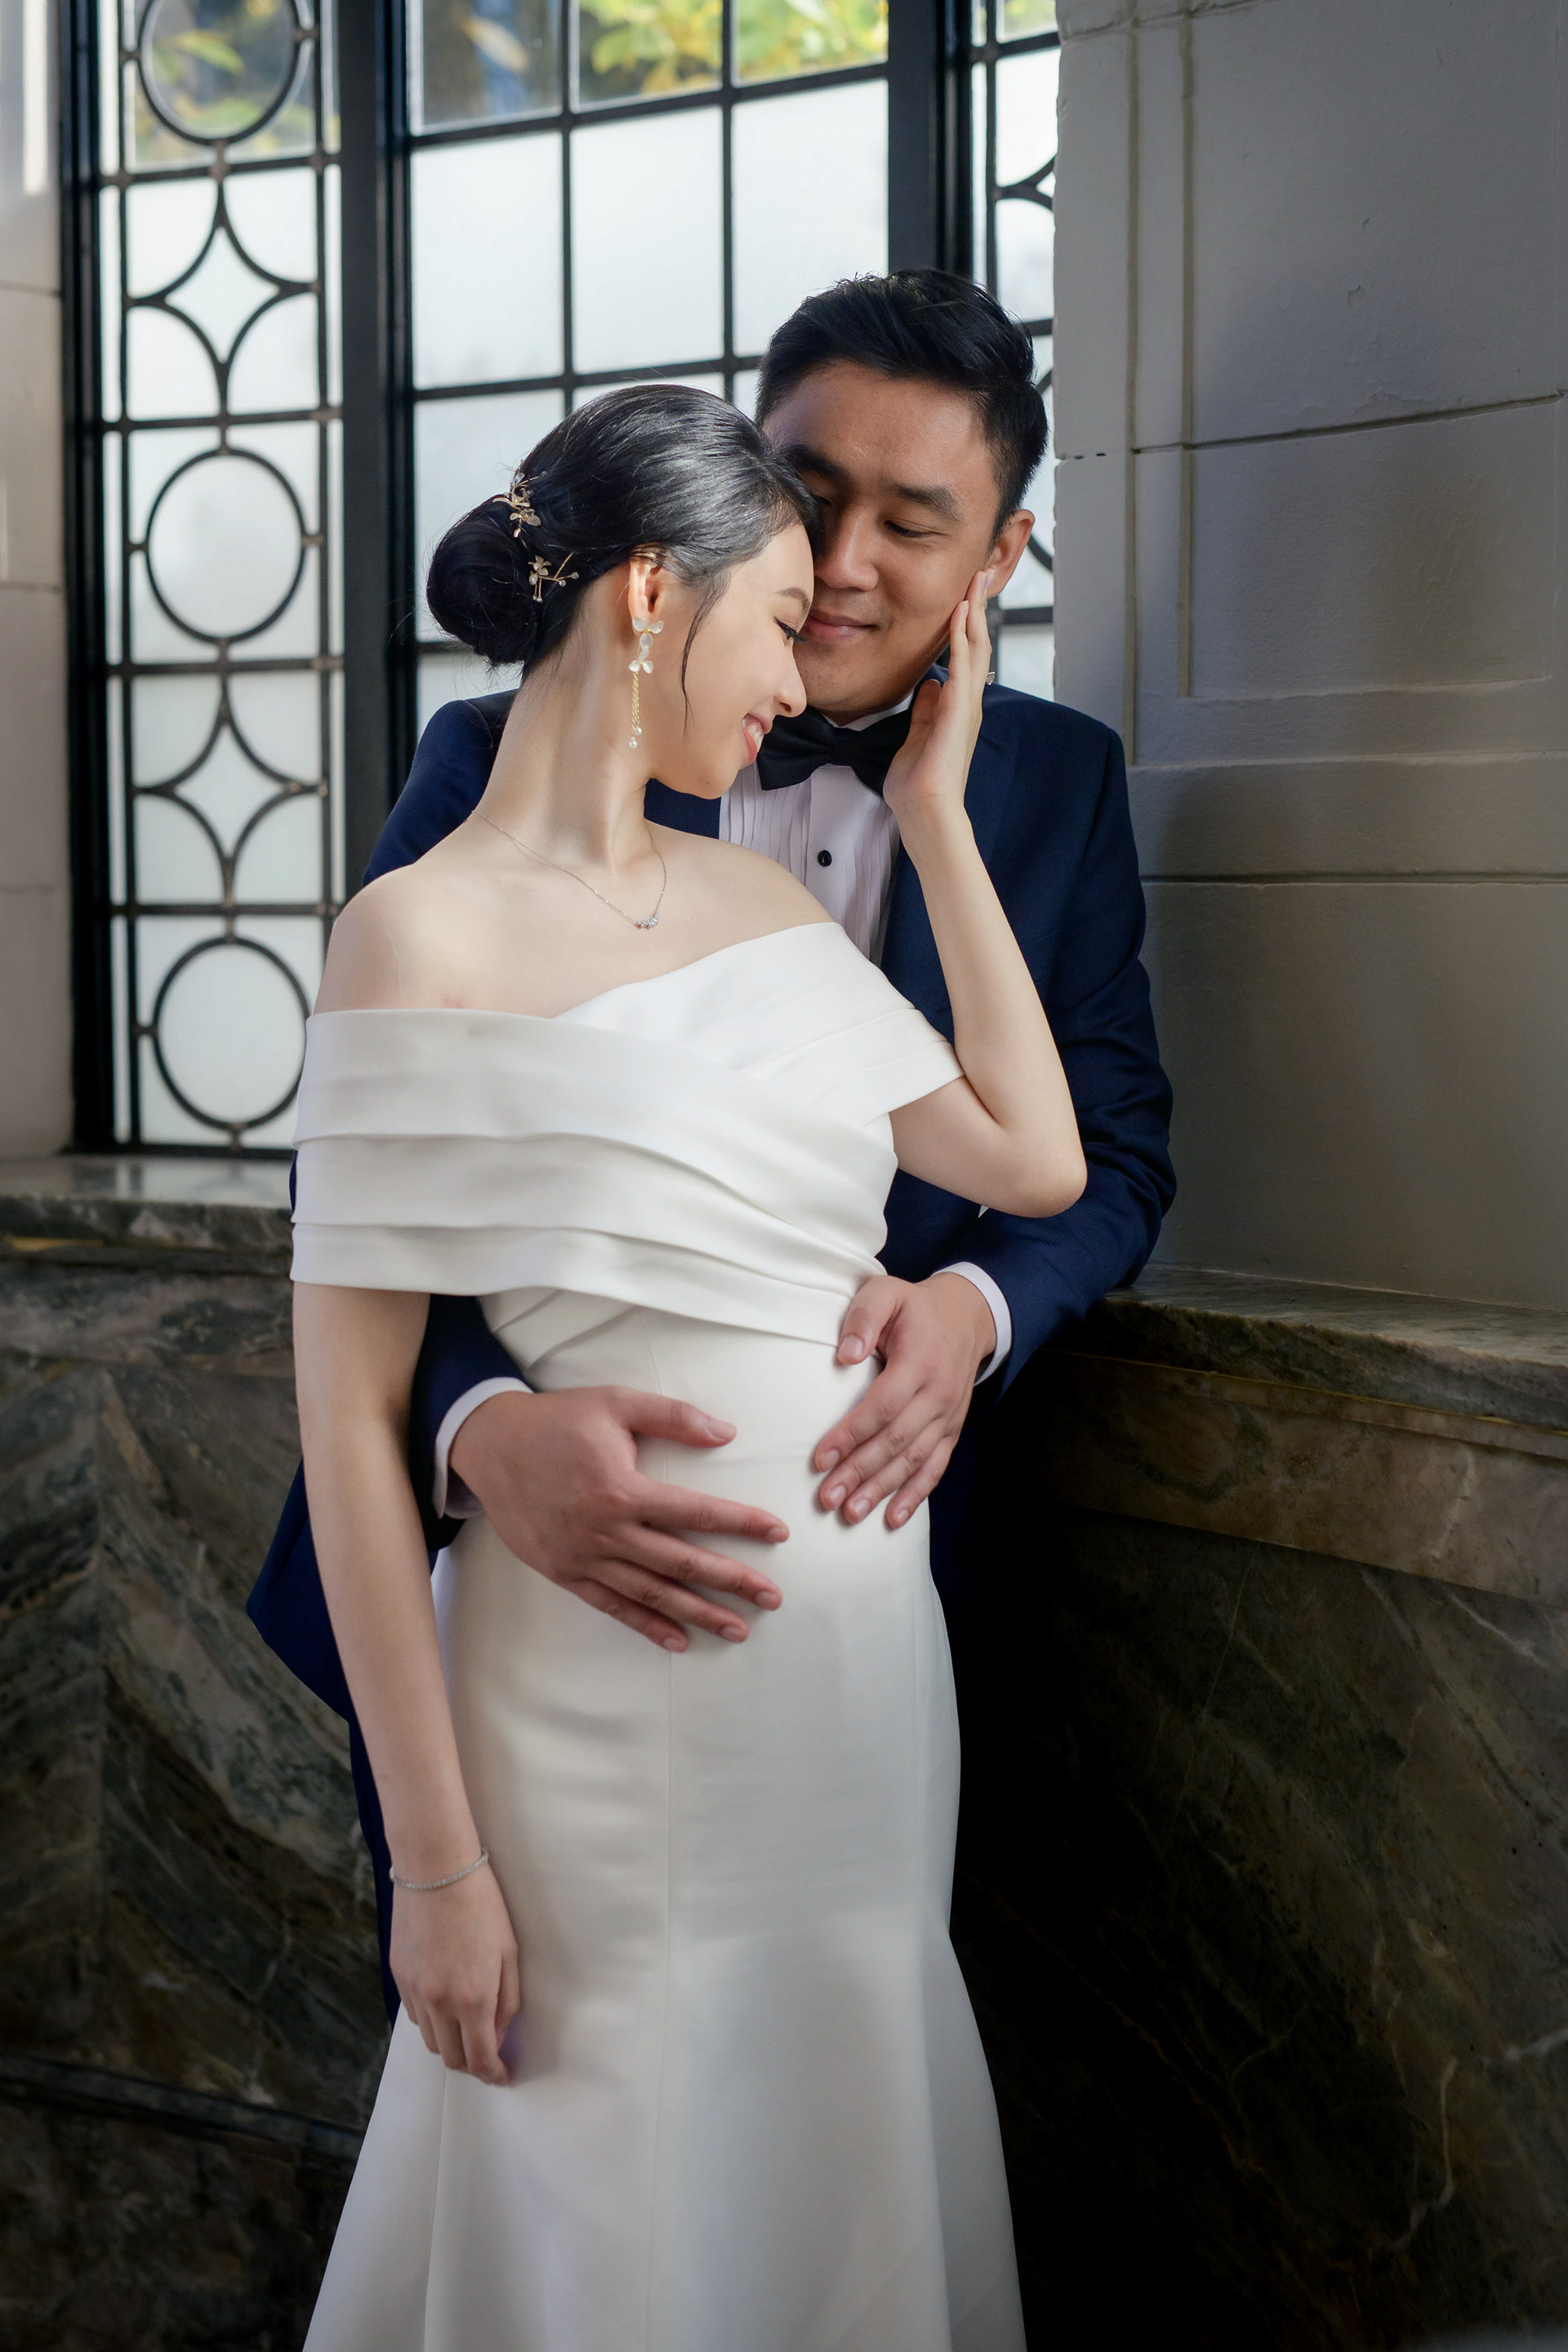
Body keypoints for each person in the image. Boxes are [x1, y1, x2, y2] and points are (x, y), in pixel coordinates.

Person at [249, 277, 1174, 2020]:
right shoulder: (471, 802)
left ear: (1002, 557)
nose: (843, 570)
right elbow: (358, 1208)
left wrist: (972, 1307)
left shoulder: (1029, 793)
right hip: (521, 1598)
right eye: (808, 508)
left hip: (853, 1636)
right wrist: (479, 1430)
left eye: (914, 525)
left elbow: (1083, 1159)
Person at [292, 381, 1076, 2345]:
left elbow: (1034, 1158)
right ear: (653, 595)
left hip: (858, 1712)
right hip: (583, 1711)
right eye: (780, 615)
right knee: (611, 2184)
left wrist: (934, 820)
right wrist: (436, 1869)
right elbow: (354, 1429)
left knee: (836, 2145)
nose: (802, 674)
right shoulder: (413, 937)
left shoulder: (754, 903)